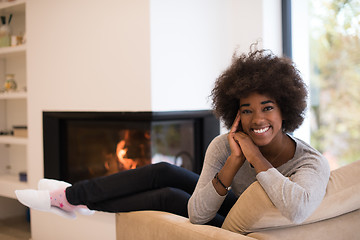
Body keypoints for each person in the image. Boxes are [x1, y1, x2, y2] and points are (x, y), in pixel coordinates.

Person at [15, 47, 330, 227]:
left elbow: (298, 207)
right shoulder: (225, 146)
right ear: (235, 112)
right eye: (246, 110)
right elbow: (199, 211)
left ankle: (72, 200)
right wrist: (233, 162)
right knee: (163, 172)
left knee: (167, 197)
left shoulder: (309, 162)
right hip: (236, 205)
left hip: (253, 225)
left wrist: (254, 158)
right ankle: (73, 197)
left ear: (285, 110)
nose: (257, 119)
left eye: (268, 107)